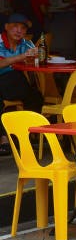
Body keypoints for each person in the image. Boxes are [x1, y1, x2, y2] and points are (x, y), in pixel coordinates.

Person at [0, 13, 45, 155]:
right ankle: (4, 139)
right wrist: (22, 57)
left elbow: (36, 62)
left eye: (23, 28)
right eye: (15, 27)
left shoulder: (27, 44)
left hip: (16, 82)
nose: (19, 31)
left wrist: (36, 57)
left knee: (36, 97)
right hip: (4, 80)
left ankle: (27, 134)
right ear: (6, 27)